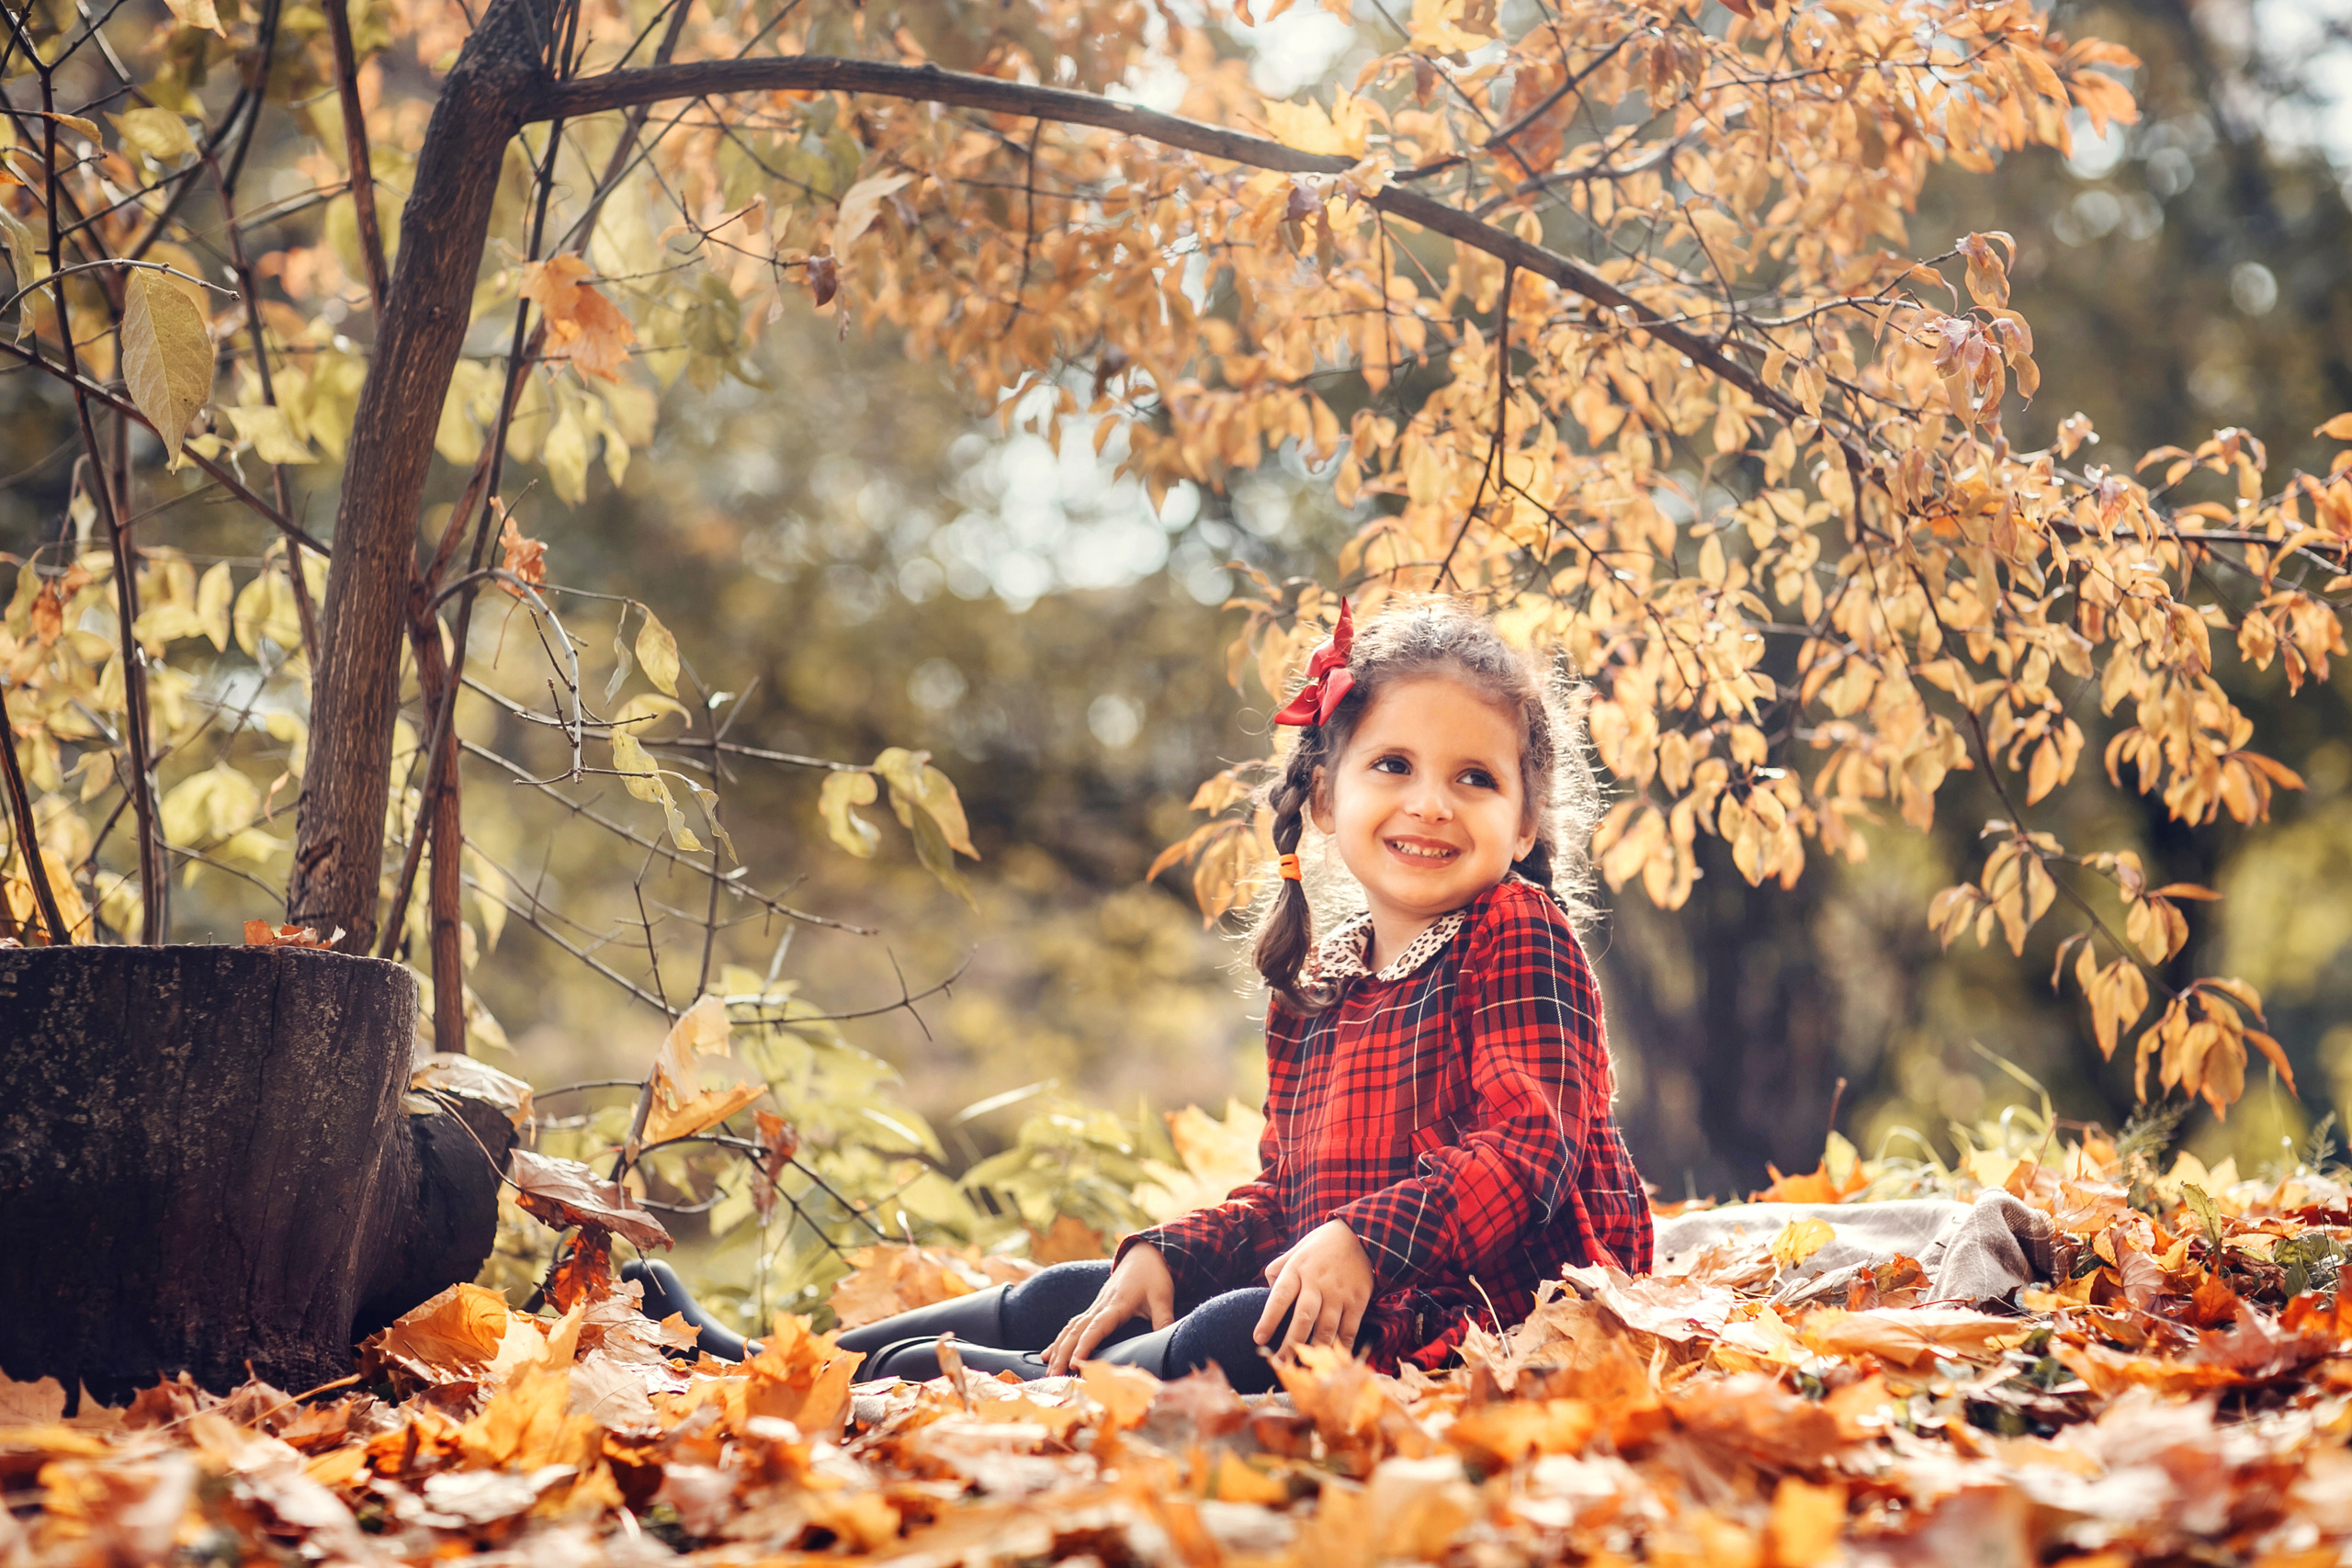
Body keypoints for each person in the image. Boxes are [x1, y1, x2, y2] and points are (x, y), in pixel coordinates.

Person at [632, 598, 1652, 1389]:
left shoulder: (1514, 933)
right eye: (1394, 764)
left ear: (1523, 826)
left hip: (1493, 1321)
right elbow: (1285, 1206)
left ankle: (1009, 1393)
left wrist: (1362, 1242)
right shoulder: (1323, 984)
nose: (1431, 800)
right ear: (1332, 797)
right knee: (1098, 1290)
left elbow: (1528, 1153)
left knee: (1232, 1336)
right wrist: (1172, 1252)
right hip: (1353, 1299)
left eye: (1475, 778)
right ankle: (775, 1368)